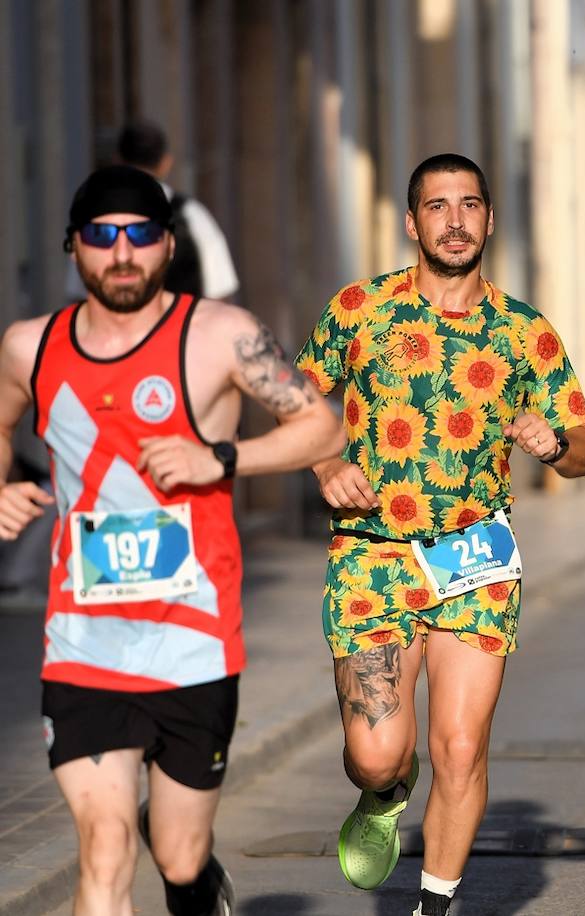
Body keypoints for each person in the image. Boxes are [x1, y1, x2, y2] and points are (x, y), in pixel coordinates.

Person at [0, 165, 342, 916]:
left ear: (166, 246)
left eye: (140, 235)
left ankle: (193, 876)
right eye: (101, 236)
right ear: (74, 248)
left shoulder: (220, 335)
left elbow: (322, 425)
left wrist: (219, 458)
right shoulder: (30, 347)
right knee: (105, 846)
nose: (122, 252)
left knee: (180, 855)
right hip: (83, 644)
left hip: (194, 641)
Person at [295, 153, 585, 916]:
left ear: (490, 220)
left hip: (476, 559)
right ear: (411, 222)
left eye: (470, 205)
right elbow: (295, 399)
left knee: (460, 748)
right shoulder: (359, 310)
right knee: (376, 754)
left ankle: (436, 902)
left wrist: (558, 445)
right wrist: (326, 458)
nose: (455, 221)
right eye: (438, 206)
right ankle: (381, 796)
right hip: (373, 556)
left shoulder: (524, 332)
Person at [114, 119, 240, 301]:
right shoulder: (191, 215)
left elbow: (79, 294)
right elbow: (219, 291)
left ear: (117, 160)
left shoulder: (95, 220)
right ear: (165, 162)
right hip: (184, 326)